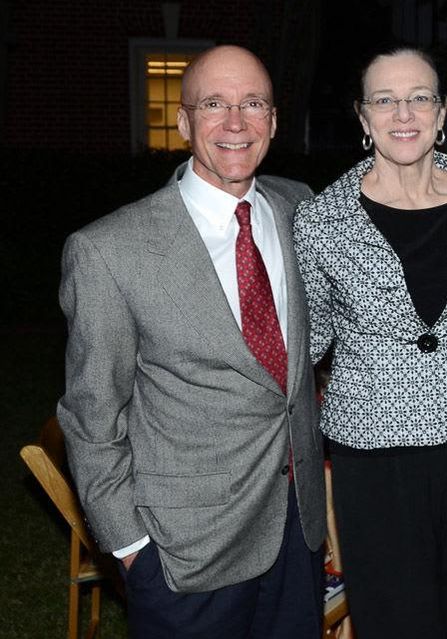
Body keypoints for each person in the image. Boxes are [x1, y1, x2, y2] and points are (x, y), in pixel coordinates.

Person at [57, 45, 327, 638]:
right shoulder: (108, 251)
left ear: (274, 122)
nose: (236, 122)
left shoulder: (300, 207)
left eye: (253, 103)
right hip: (185, 554)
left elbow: (388, 233)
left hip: (297, 533)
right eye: (214, 104)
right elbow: (91, 417)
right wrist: (131, 549)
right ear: (182, 123)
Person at [292, 46, 447, 639]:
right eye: (385, 100)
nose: (404, 114)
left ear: (442, 113)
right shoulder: (320, 223)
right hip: (374, 462)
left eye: (420, 97)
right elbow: (309, 340)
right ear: (363, 118)